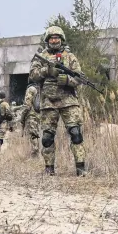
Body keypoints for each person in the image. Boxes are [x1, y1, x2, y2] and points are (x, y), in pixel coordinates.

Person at [29, 26, 87, 176]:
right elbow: (33, 75)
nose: (54, 40)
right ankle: (49, 169)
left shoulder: (70, 57)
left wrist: (67, 80)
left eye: (57, 38)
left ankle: (81, 169)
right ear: (48, 40)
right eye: (52, 38)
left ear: (62, 40)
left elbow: (79, 77)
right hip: (48, 101)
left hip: (68, 100)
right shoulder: (40, 57)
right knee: (47, 137)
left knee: (76, 134)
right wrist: (47, 71)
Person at [20, 79, 42, 157]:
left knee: (33, 135)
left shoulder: (31, 89)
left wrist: (22, 117)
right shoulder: (41, 87)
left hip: (32, 115)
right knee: (39, 134)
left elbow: (27, 105)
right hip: (41, 115)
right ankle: (39, 154)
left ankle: (34, 155)